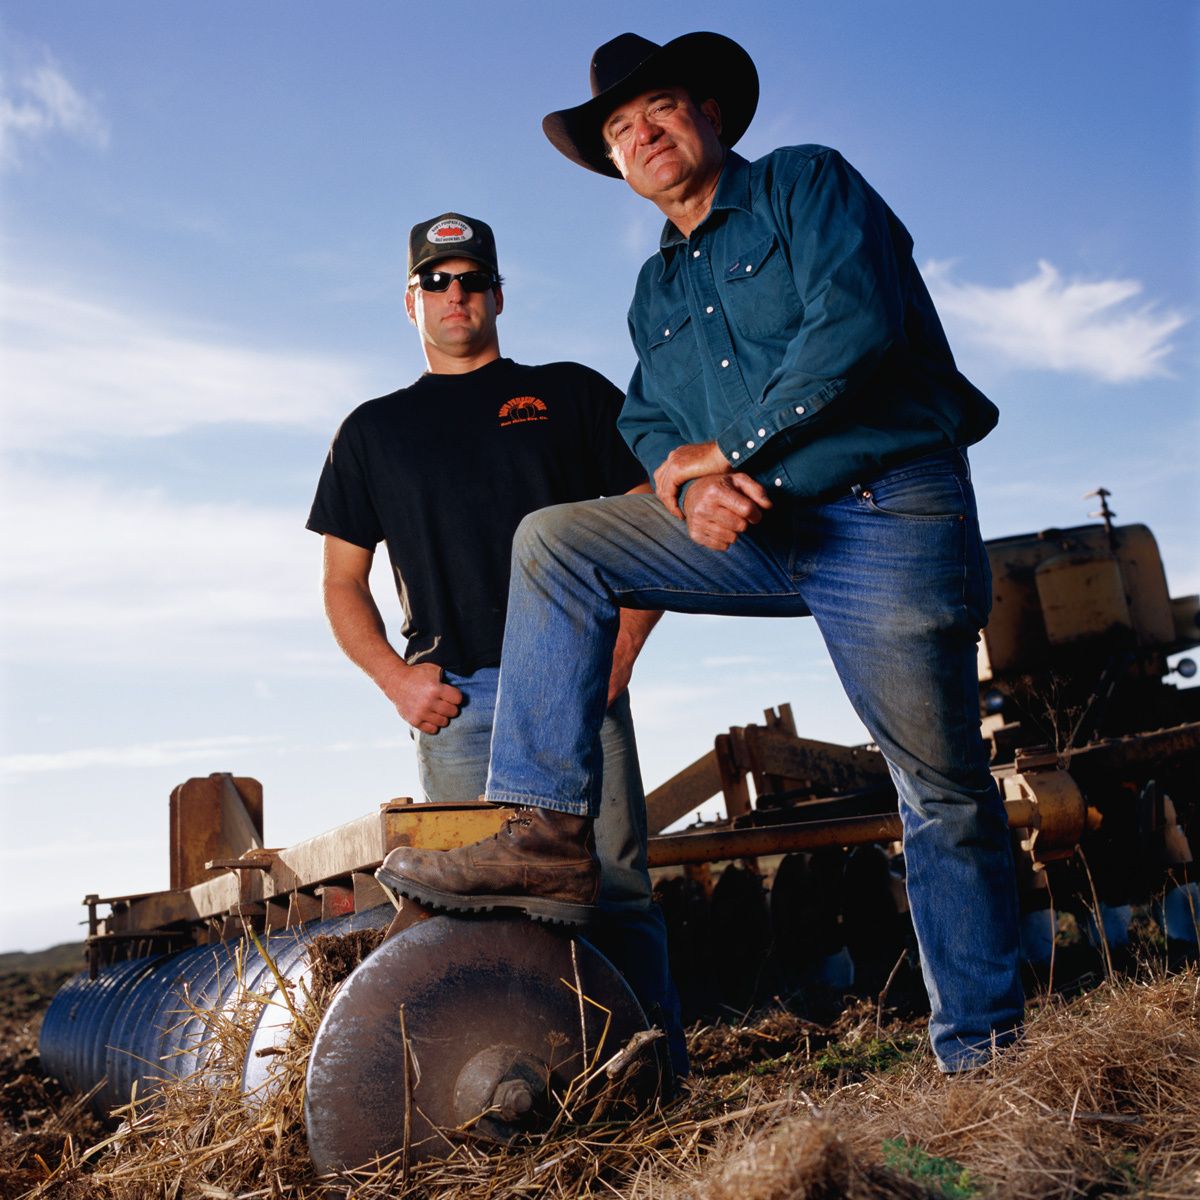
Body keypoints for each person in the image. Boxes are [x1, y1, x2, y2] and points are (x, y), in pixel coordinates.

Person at [377, 36, 1024, 1073]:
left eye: (661, 110)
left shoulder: (805, 184)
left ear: (712, 115)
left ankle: (985, 1056)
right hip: (764, 537)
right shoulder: (655, 291)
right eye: (623, 131)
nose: (642, 135)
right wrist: (687, 482)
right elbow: (648, 419)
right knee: (556, 542)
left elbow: (855, 328)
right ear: (616, 164)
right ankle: (543, 827)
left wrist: (726, 450)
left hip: (886, 515)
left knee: (938, 791)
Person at [307, 212, 685, 1073]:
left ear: (499, 294)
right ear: (408, 301)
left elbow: (661, 517)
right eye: (435, 281)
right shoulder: (371, 431)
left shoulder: (570, 394)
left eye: (471, 279)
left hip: (578, 691)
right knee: (479, 912)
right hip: (456, 705)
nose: (455, 295)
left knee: (615, 894)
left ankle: (659, 1088)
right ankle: (538, 1088)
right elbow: (340, 585)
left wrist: (620, 650)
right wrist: (397, 683)